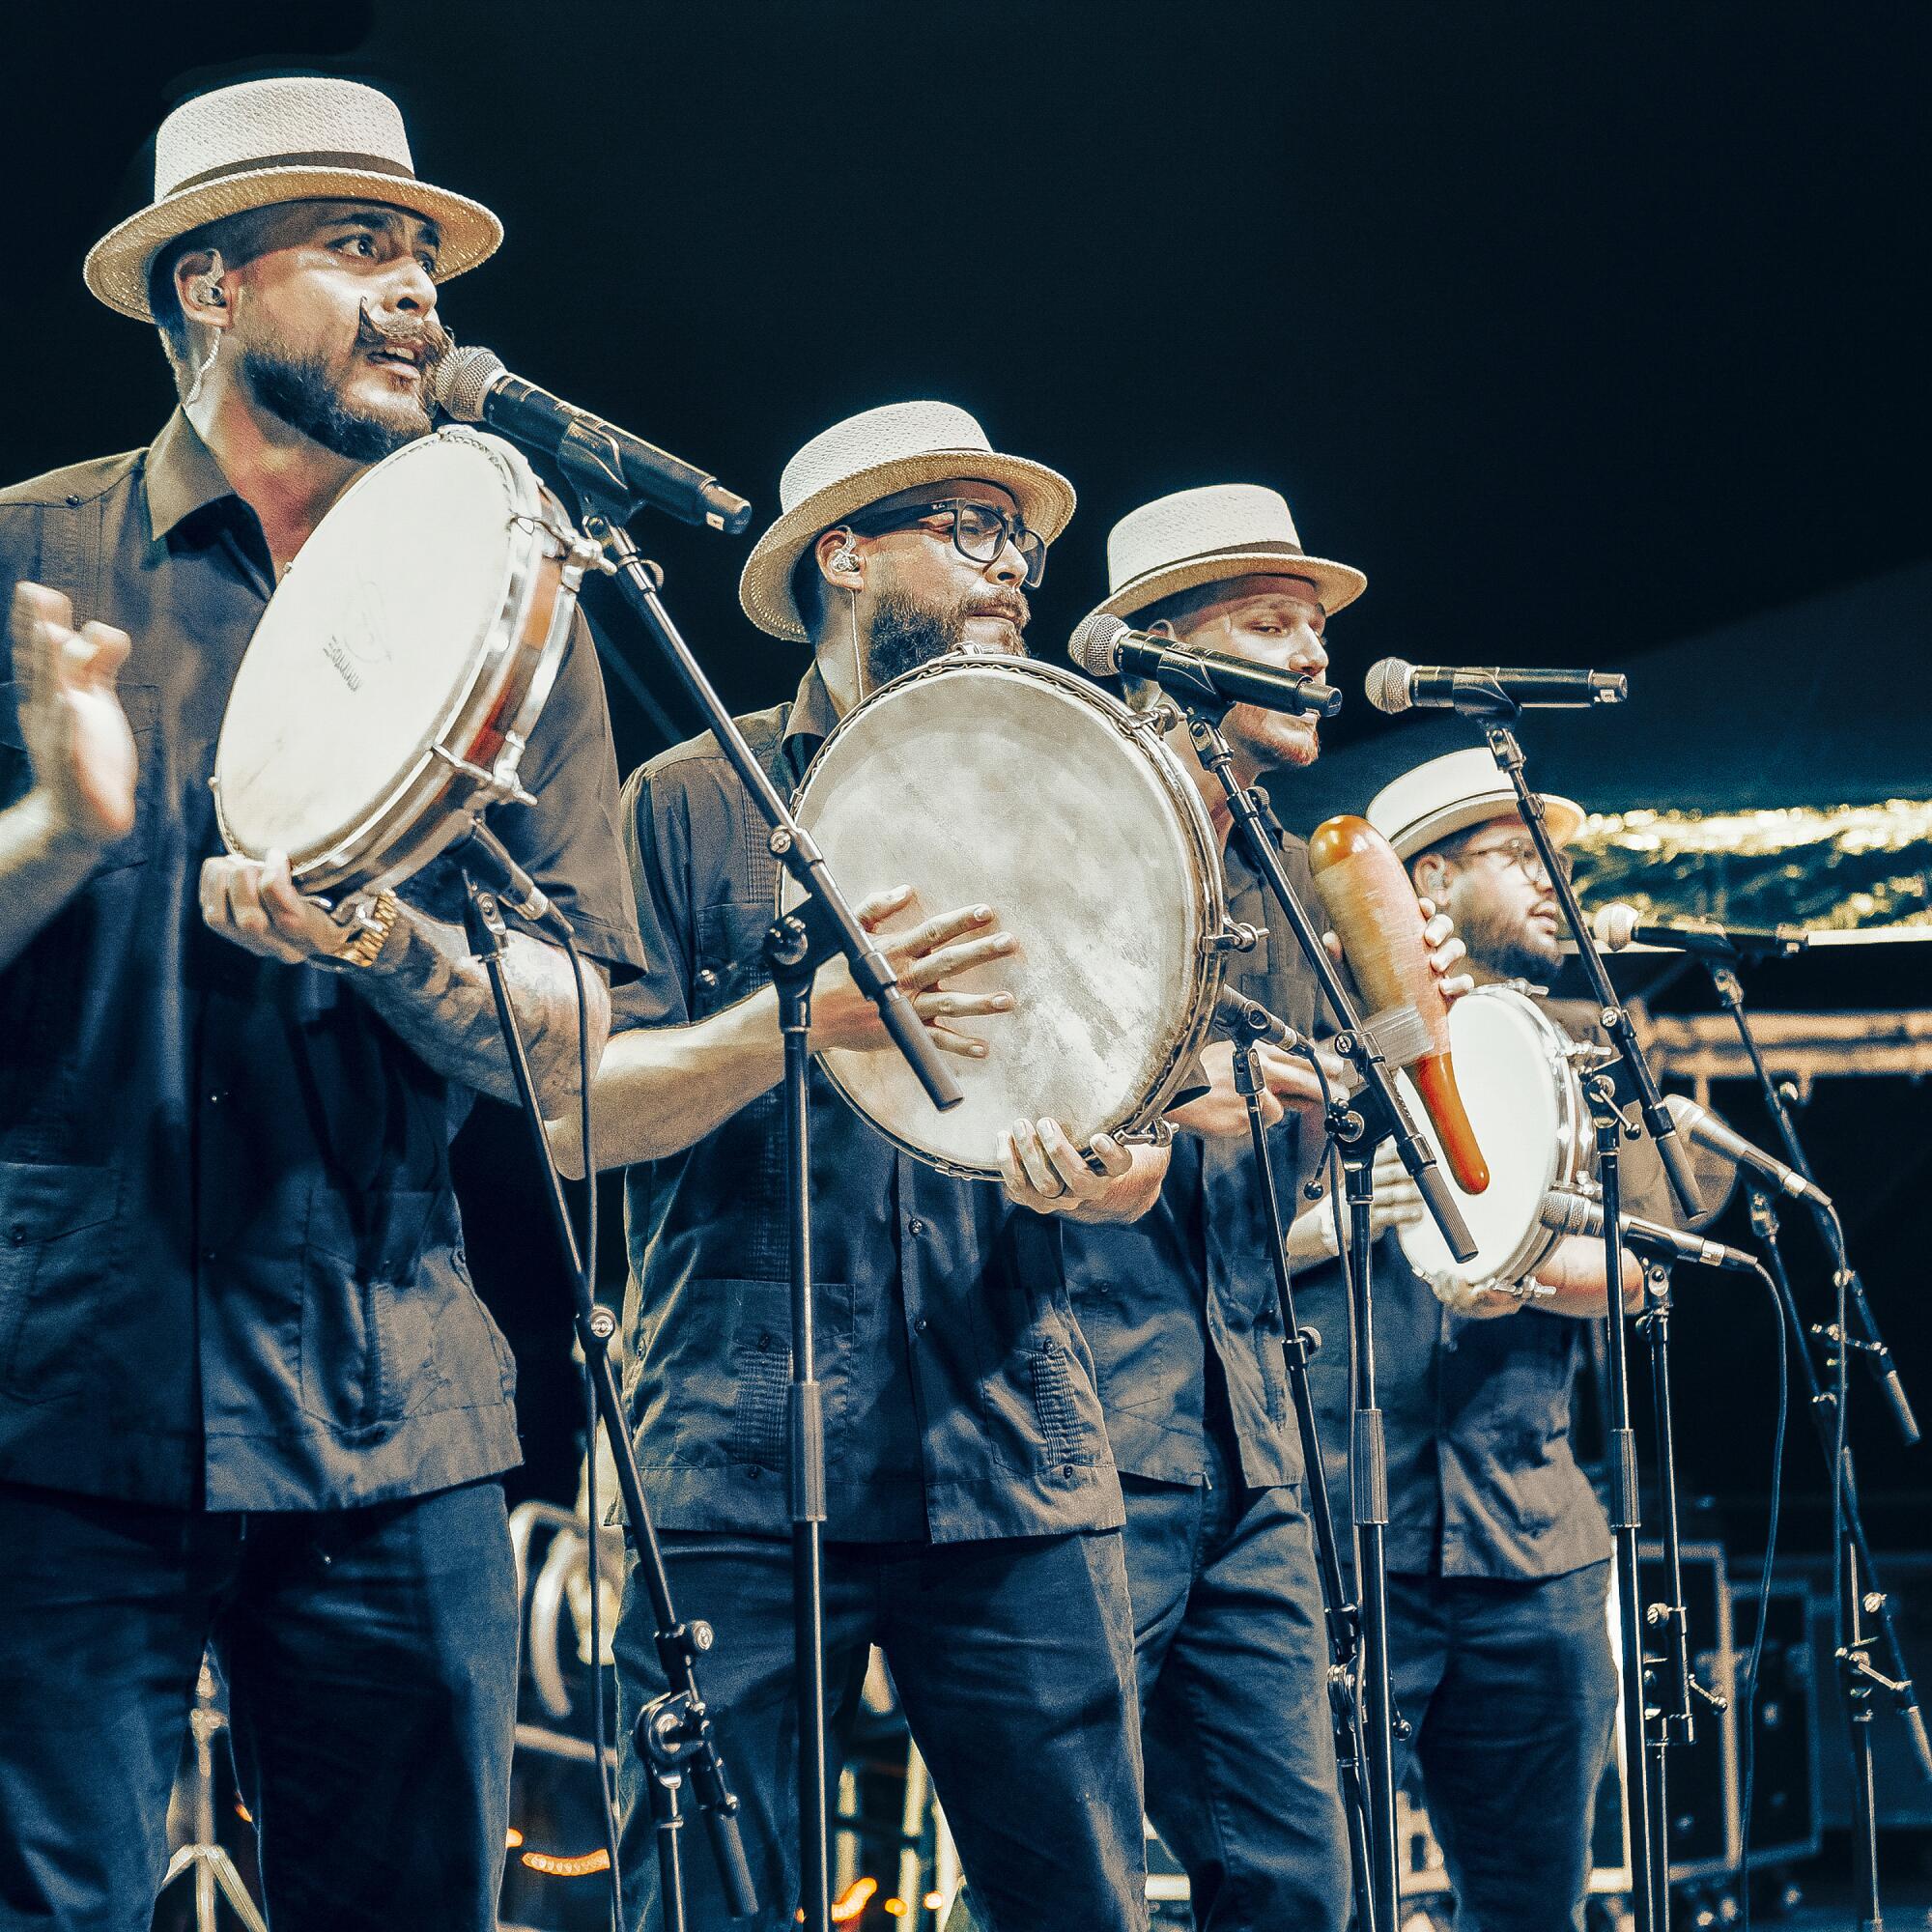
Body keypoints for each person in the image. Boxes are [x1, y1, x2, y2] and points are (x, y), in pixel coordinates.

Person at [0, 77, 641, 1932]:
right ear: (208, 284)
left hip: (394, 1413)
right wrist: (56, 828)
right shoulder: (27, 567)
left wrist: (394, 953)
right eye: (360, 247)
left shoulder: (522, 617)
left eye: (424, 254)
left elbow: (578, 1032)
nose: (418, 293)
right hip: (59, 1407)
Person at [556, 401, 1171, 1931]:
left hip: (1007, 1438)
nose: (1016, 570)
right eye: (969, 530)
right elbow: (580, 1113)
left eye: (1020, 539)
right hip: (733, 1451)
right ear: (844, 555)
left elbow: (1135, 1140)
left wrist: (1102, 1177)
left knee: (1080, 1903)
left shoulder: (1064, 789)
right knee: (710, 1902)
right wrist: (799, 1023)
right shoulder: (688, 803)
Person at [1060, 485, 1466, 1930]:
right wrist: (1176, 1102)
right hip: (1086, 1440)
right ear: (1165, 651)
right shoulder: (1077, 838)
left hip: (1251, 1440)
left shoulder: (1290, 882)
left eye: (1314, 627)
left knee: (1302, 1878)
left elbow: (1286, 1187)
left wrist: (1370, 1056)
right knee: (1070, 1874)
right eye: (1268, 625)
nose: (1312, 657)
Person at [1292, 745, 1668, 1932]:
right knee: (1316, 1895)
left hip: (1533, 1550)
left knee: (1529, 1907)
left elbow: (1644, 1270)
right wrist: (1342, 1217)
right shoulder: (1315, 1051)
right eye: (1519, 857)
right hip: (1338, 1545)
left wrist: (1514, 1272)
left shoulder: (1587, 1062)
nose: (1553, 883)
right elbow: (1216, 1243)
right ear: (1428, 880)